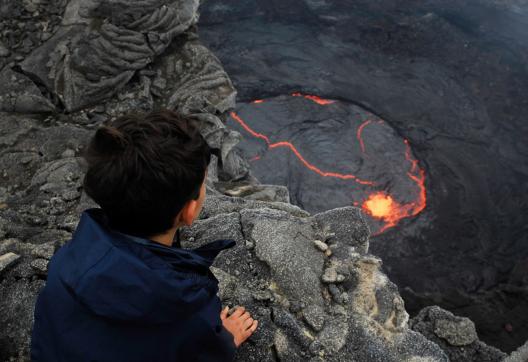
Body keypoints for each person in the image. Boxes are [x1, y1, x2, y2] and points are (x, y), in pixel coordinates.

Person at [31, 110, 258, 361]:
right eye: (203, 185)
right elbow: (202, 353)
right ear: (189, 211)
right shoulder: (183, 307)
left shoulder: (66, 260)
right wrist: (224, 339)